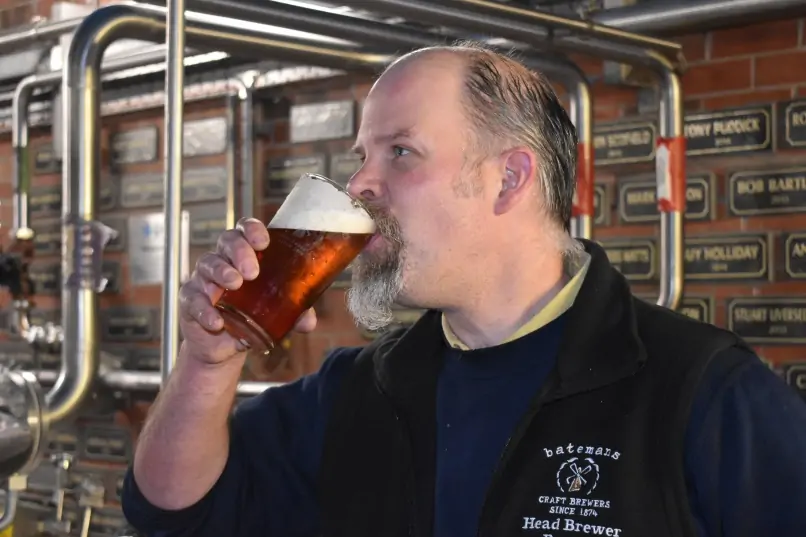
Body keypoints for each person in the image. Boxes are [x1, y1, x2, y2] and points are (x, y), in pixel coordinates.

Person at [121, 41, 806, 537]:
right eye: (363, 157)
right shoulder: (357, 391)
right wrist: (208, 362)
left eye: (401, 151)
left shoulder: (703, 392)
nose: (360, 184)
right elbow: (170, 508)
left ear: (508, 179)